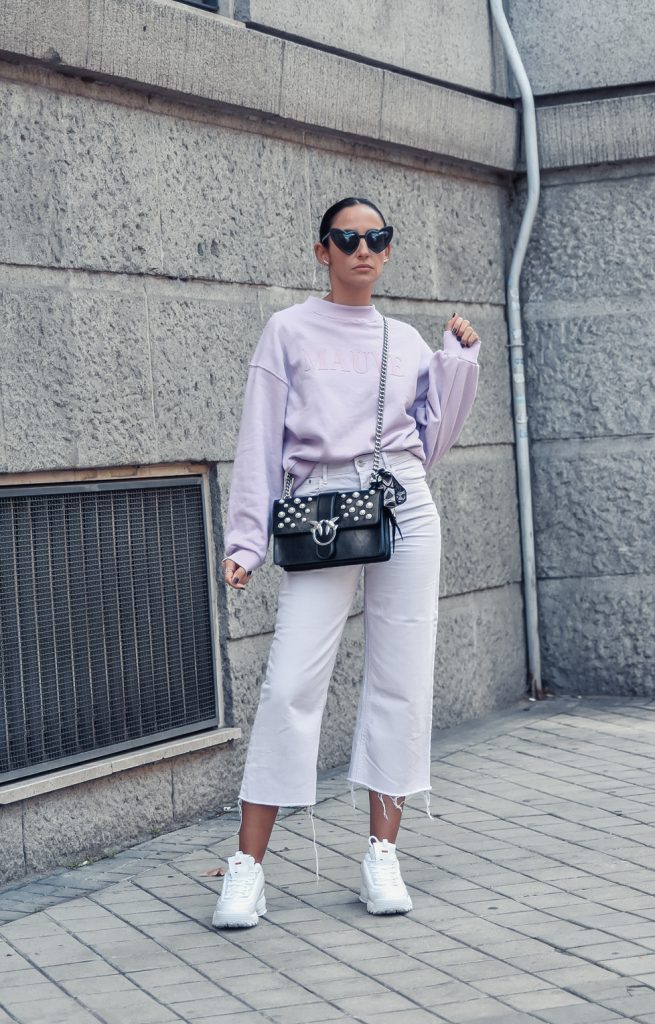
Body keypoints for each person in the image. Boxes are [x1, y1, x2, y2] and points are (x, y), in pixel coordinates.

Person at [212, 197, 481, 928]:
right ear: (321, 250)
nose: (363, 249)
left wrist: (459, 361)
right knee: (290, 682)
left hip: (404, 500)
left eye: (376, 238)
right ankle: (247, 866)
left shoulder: (405, 340)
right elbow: (259, 438)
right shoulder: (288, 329)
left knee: (402, 676)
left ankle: (382, 854)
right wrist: (246, 541)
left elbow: (431, 440)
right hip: (321, 510)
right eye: (347, 238)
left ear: (387, 251)